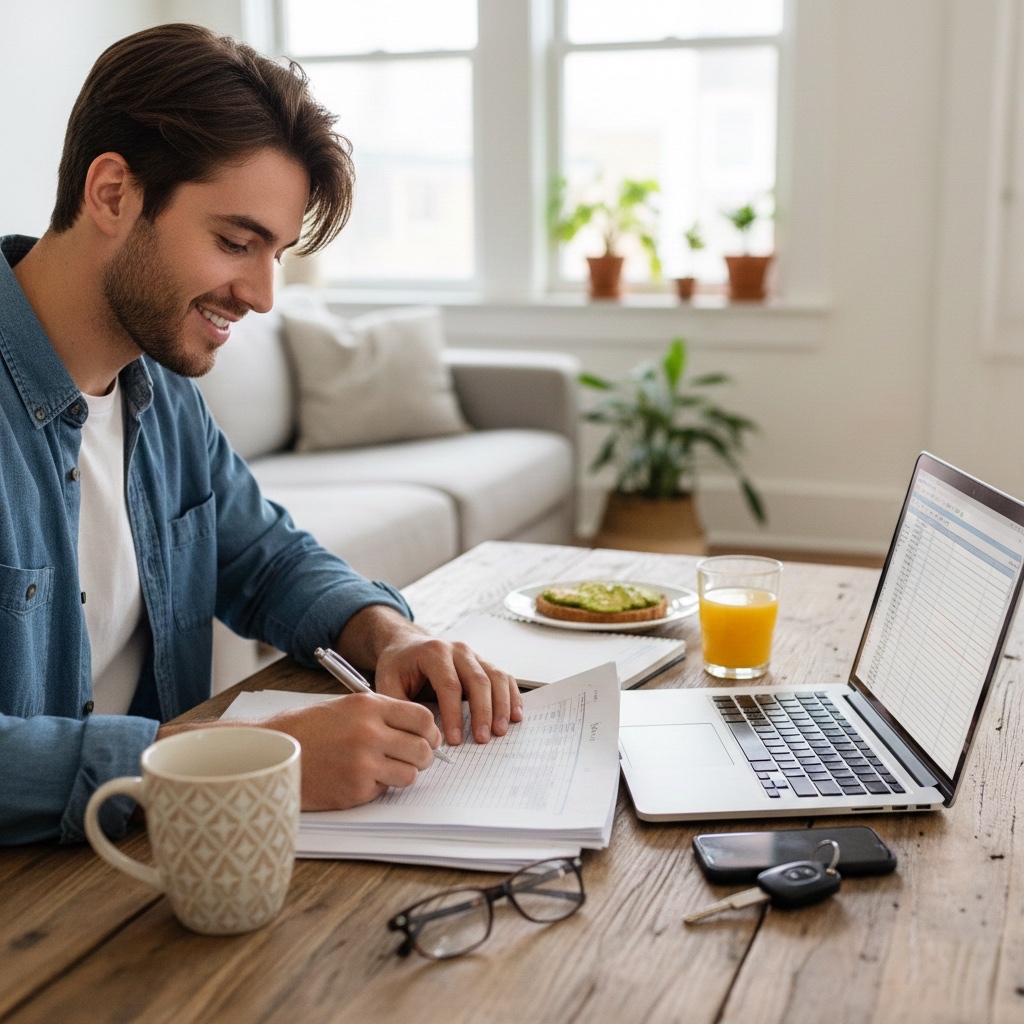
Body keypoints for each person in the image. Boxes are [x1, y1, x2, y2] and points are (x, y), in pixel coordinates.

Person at [0, 23, 521, 846]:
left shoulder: (160, 391)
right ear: (111, 194)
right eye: (235, 242)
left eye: (273, 251)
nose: (263, 294)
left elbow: (264, 556)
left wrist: (387, 632)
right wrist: (236, 759)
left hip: (158, 866)